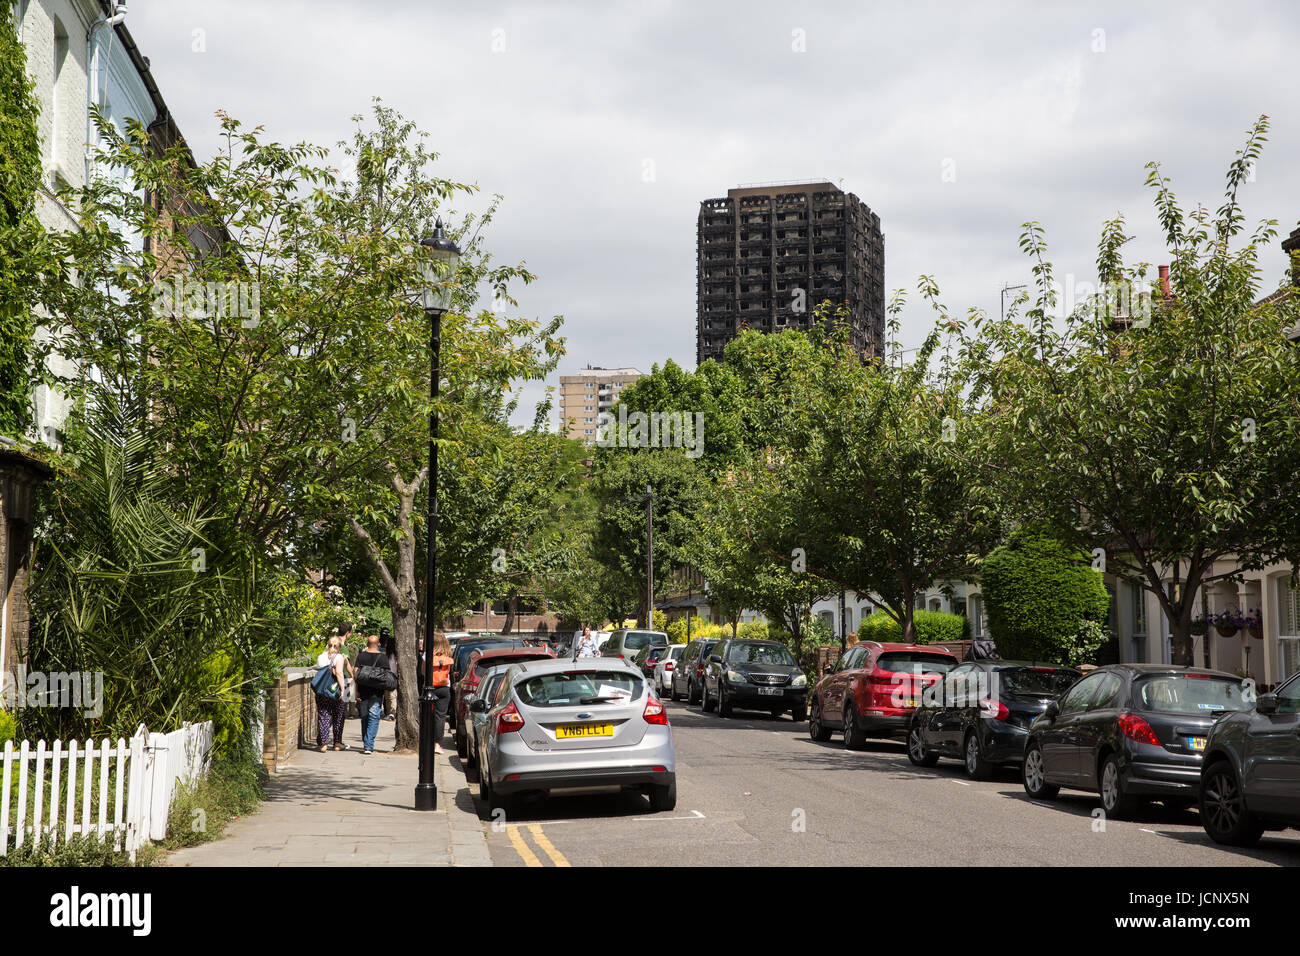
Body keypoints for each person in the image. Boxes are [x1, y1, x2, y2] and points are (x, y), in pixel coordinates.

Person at [315, 635, 353, 751]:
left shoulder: (321, 657)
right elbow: (340, 674)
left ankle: (324, 743)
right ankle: (337, 743)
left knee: (324, 715)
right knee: (339, 717)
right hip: (335, 690)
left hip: (322, 690)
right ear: (339, 646)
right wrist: (343, 689)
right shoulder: (339, 657)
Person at [354, 633, 389, 754]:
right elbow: (386, 676)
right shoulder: (383, 658)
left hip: (363, 692)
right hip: (377, 692)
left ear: (367, 644)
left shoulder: (361, 656)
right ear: (378, 644)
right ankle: (369, 745)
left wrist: (356, 691)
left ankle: (367, 743)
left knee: (364, 717)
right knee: (374, 717)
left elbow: (356, 674)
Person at [426, 630, 455, 755]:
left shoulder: (428, 656)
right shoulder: (448, 655)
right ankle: (437, 743)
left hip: (430, 688)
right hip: (444, 688)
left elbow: (423, 672)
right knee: (440, 717)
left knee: (427, 716)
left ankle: (428, 741)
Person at [381, 628, 398, 720]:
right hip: (392, 675)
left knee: (389, 696)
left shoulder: (387, 654)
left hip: (388, 676)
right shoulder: (394, 655)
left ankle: (391, 712)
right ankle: (391, 712)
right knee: (391, 695)